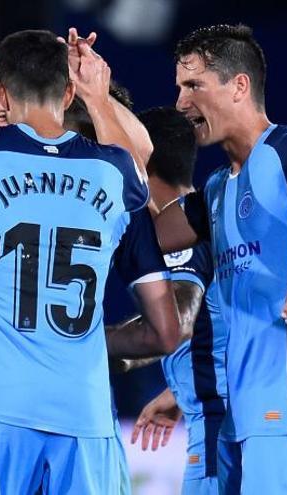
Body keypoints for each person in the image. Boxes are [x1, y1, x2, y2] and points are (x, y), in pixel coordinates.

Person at [0, 21, 180, 493]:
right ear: (68, 96)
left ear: (0, 95)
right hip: (84, 416)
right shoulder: (112, 172)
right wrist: (98, 94)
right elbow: (139, 159)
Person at [154, 24, 287, 494]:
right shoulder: (216, 189)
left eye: (194, 86)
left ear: (239, 86)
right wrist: (98, 100)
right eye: (178, 89)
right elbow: (154, 228)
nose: (182, 103)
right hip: (244, 420)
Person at [106, 106, 231, 494]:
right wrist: (178, 390)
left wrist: (69, 340)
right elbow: (214, 328)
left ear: (140, 165)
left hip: (220, 429)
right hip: (218, 418)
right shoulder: (205, 219)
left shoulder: (181, 239)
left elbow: (175, 326)